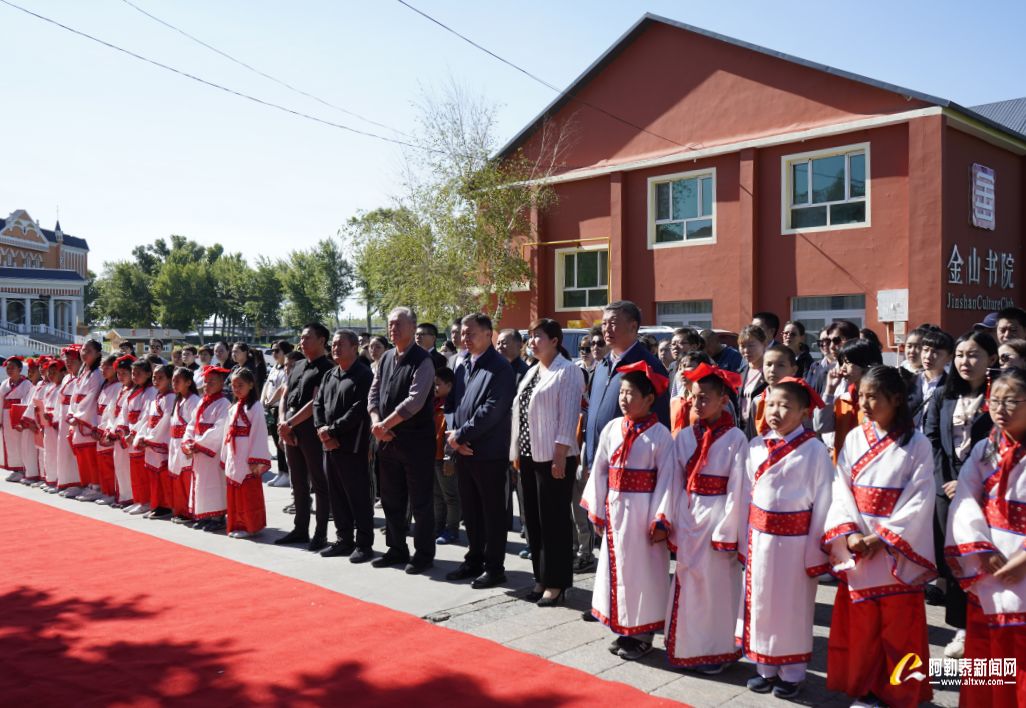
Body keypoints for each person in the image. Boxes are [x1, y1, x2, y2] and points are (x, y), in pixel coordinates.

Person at [825, 365, 936, 707]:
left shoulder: (917, 444)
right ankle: (866, 688)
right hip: (860, 543)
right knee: (863, 627)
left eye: (874, 396)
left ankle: (900, 692)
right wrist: (852, 533)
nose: (866, 404)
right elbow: (840, 487)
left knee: (899, 628)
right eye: (862, 396)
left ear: (897, 399)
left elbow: (920, 497)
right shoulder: (856, 437)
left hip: (895, 549)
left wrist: (882, 537)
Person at [741, 377, 832, 700]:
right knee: (762, 602)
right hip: (760, 539)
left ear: (804, 411)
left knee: (792, 607)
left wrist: (816, 550)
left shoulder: (814, 450)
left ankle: (792, 672)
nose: (776, 412)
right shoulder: (756, 446)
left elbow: (824, 501)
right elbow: (745, 496)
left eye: (785, 406)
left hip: (796, 543)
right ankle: (764, 665)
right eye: (772, 404)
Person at [581, 361, 673, 661]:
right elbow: (599, 470)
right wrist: (597, 509)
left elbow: (668, 479)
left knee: (642, 573)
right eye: (621, 392)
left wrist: (660, 518)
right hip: (616, 510)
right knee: (616, 569)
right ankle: (623, 627)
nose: (623, 399)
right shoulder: (612, 428)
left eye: (631, 393)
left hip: (643, 515)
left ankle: (642, 634)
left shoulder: (660, 435)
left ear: (649, 399)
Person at [945, 368, 1026, 707]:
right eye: (995, 401)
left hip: (1021, 560)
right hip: (989, 560)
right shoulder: (984, 448)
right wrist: (980, 548)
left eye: (1012, 401)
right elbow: (964, 499)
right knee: (986, 651)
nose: (1001, 408)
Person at [659, 363, 746, 672]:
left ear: (724, 400)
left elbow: (739, 487)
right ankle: (686, 646)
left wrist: (728, 529)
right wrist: (669, 516)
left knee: (716, 588)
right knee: (688, 582)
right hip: (689, 514)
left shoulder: (736, 438)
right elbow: (673, 479)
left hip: (718, 515)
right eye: (694, 397)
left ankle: (716, 651)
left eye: (706, 397)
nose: (698, 403)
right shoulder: (684, 436)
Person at [580, 301, 669, 576]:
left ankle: (630, 611)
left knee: (632, 551)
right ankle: (609, 603)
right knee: (606, 543)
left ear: (633, 326)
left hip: (634, 478)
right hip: (602, 463)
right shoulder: (604, 363)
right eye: (604, 322)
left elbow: (659, 425)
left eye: (613, 322)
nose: (607, 328)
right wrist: (588, 455)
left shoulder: (647, 368)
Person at [925, 330, 998, 659]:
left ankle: (987, 626)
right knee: (953, 560)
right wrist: (946, 481)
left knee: (981, 559)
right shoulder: (944, 393)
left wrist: (967, 483)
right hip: (946, 490)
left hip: (984, 493)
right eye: (960, 355)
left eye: (974, 355)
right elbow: (932, 439)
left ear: (991, 360)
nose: (965, 362)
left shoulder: (999, 397)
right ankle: (961, 628)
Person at [510, 319, 586, 607]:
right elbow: (522, 414)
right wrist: (517, 451)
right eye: (530, 336)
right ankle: (540, 577)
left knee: (554, 522)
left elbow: (568, 417)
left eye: (538, 336)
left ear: (555, 340)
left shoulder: (567, 371)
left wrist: (558, 456)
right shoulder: (532, 371)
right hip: (529, 455)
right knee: (533, 519)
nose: (532, 341)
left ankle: (557, 583)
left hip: (554, 457)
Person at [444, 312, 515, 588]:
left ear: (489, 334)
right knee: (470, 510)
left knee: (492, 512)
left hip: (488, 452)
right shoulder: (461, 364)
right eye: (463, 333)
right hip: (463, 450)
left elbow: (492, 410)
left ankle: (494, 567)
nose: (465, 338)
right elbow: (450, 403)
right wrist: (455, 436)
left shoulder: (500, 368)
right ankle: (473, 558)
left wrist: (461, 436)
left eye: (471, 333)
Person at [368, 308, 437, 574]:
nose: (392, 328)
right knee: (391, 499)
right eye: (390, 324)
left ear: (412, 326)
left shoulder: (423, 360)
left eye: (398, 324)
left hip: (415, 442)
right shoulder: (386, 357)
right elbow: (374, 393)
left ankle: (423, 553)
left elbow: (415, 401)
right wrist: (376, 422)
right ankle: (396, 548)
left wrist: (386, 424)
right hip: (386, 441)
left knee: (420, 502)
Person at [314, 330, 375, 562]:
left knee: (357, 497)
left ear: (355, 347)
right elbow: (318, 404)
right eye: (334, 344)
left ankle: (364, 544)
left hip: (352, 446)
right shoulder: (330, 374)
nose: (335, 348)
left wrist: (332, 430)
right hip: (329, 445)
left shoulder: (363, 375)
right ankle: (344, 540)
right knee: (336, 495)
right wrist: (322, 429)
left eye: (341, 344)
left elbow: (359, 410)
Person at [276, 324, 335, 550]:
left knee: (319, 483)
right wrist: (283, 423)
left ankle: (320, 533)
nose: (302, 342)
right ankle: (300, 528)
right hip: (290, 429)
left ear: (322, 340)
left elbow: (316, 402)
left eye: (307, 338)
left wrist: (289, 424)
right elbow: (285, 395)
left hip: (311, 431)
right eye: (301, 337)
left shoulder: (328, 368)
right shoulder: (298, 364)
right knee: (298, 482)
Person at [815, 339, 884, 462]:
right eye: (841, 363)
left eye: (847, 363)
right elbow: (821, 426)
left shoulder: (881, 401)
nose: (842, 369)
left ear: (865, 363)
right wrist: (829, 390)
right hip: (843, 471)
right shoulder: (843, 400)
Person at [222, 367, 271, 538]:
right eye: (233, 385)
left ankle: (250, 526)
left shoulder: (255, 407)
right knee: (236, 490)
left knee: (247, 491)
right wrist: (225, 456)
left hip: (247, 454)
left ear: (251, 384)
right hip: (234, 453)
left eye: (240, 385)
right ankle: (237, 523)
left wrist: (255, 458)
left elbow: (259, 432)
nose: (236, 389)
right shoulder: (233, 407)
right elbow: (227, 433)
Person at [183, 366, 231, 531]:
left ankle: (217, 517)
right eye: (206, 382)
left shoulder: (224, 404)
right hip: (198, 448)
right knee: (201, 484)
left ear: (221, 383)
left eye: (212, 382)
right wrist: (188, 440)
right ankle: (204, 514)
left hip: (211, 452)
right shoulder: (202, 402)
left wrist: (199, 443)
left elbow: (219, 428)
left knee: (214, 483)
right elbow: (191, 424)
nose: (207, 385)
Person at [136, 364, 176, 519]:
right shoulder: (157, 397)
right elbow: (147, 419)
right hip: (151, 440)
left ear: (169, 379)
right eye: (154, 377)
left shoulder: (170, 397)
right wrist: (142, 435)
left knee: (162, 475)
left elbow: (165, 421)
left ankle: (165, 506)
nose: (156, 380)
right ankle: (155, 504)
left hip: (160, 442)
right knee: (153, 475)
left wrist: (151, 438)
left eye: (161, 378)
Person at [121, 359, 157, 515]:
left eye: (139, 373)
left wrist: (134, 433)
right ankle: (138, 499)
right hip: (131, 432)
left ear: (148, 374)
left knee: (141, 471)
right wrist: (124, 429)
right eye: (133, 373)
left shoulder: (150, 391)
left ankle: (146, 501)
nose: (135, 376)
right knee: (134, 471)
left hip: (140, 434)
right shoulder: (132, 391)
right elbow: (125, 412)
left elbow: (146, 416)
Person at [431, 367, 460, 545]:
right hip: (433, 456)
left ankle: (452, 529)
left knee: (450, 495)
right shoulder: (434, 403)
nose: (434, 388)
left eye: (438, 384)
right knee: (436, 495)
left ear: (449, 385)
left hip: (445, 457)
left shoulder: (453, 405)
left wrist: (450, 458)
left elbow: (452, 434)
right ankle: (438, 526)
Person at [168, 367, 200, 524]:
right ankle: (180, 509)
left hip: (184, 444)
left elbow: (195, 425)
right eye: (173, 380)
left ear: (188, 382)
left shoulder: (193, 400)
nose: (174, 383)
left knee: (186, 478)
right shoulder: (178, 400)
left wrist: (189, 445)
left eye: (177, 380)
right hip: (175, 443)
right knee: (177, 477)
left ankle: (189, 512)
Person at [262, 340, 292, 488]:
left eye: (277, 351)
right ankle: (281, 472)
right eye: (272, 350)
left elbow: (282, 389)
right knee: (276, 442)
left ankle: (286, 473)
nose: (273, 354)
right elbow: (267, 384)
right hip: (270, 408)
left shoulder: (287, 369)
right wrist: (263, 400)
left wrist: (270, 401)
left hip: (279, 408)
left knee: (281, 443)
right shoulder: (275, 367)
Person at [909, 328, 953, 429]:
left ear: (949, 357)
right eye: (925, 350)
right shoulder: (910, 381)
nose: (928, 356)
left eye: (936, 352)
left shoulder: (951, 387)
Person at [93, 354, 122, 504]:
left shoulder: (118, 386)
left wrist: (104, 429)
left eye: (107, 366)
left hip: (106, 428)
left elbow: (110, 411)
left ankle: (111, 492)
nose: (103, 369)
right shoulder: (104, 385)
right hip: (100, 426)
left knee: (109, 462)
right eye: (102, 366)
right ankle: (105, 490)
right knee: (102, 462)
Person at [55, 346, 83, 497]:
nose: (69, 363)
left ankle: (76, 482)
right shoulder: (67, 377)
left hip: (74, 417)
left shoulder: (82, 378)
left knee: (73, 450)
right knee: (63, 450)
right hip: (63, 416)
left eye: (73, 360)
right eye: (67, 360)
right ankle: (65, 480)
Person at [109, 355, 136, 507]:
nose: (120, 376)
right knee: (119, 466)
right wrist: (110, 429)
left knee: (127, 467)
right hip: (118, 433)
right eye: (118, 373)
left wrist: (121, 430)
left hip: (127, 434)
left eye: (124, 373)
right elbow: (111, 411)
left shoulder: (134, 391)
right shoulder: (121, 389)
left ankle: (130, 497)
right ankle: (123, 495)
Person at [1, 357, 31, 483]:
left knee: (21, 443)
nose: (10, 370)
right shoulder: (4, 383)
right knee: (10, 443)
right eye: (8, 368)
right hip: (6, 416)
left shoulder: (26, 384)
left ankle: (24, 468)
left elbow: (28, 401)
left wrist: (24, 419)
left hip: (19, 415)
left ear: (20, 369)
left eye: (13, 367)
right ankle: (15, 468)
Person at [737, 325, 768, 438]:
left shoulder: (770, 372)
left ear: (764, 344)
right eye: (742, 346)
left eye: (751, 345)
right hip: (742, 430)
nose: (746, 350)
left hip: (762, 430)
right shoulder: (741, 372)